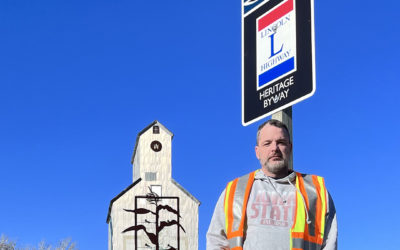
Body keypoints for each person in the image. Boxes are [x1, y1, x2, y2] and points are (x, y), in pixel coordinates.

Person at [206, 119, 337, 250]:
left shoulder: (316, 190)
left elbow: (329, 243)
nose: (274, 148)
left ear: (290, 148)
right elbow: (216, 241)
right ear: (257, 152)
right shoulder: (235, 191)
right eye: (267, 143)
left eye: (281, 142)